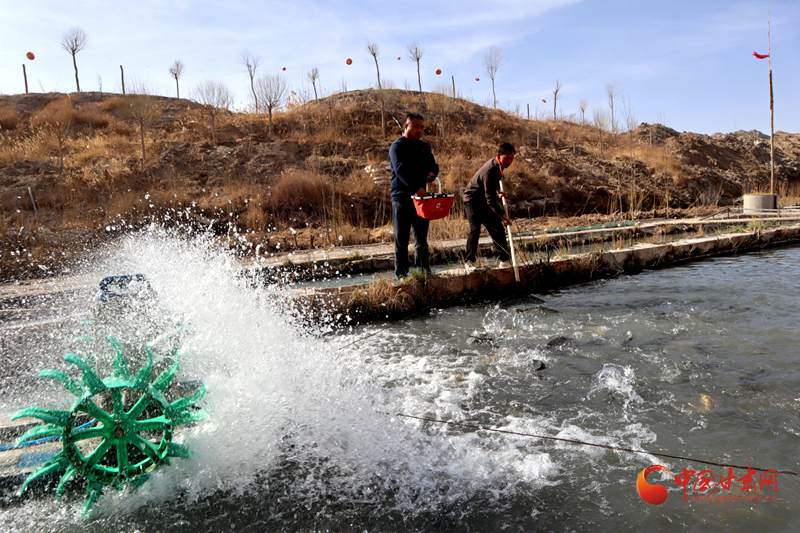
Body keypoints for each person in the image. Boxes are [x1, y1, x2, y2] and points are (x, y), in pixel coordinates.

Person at [389, 113, 439, 278]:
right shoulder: (397, 147)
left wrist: (432, 174)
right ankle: (402, 275)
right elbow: (400, 170)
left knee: (421, 238)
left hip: (421, 199)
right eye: (416, 126)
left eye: (422, 127)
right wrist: (416, 188)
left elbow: (433, 165)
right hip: (402, 199)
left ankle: (424, 272)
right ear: (406, 126)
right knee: (401, 239)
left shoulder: (424, 147)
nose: (420, 130)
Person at [462, 142, 516, 270]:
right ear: (499, 155)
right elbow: (490, 199)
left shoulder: (498, 165)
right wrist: (503, 216)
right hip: (472, 200)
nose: (509, 161)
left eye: (512, 159)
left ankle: (504, 260)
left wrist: (498, 191)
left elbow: (489, 186)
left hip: (483, 200)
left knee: (496, 227)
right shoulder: (491, 170)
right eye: (507, 158)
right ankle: (469, 261)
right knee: (475, 229)